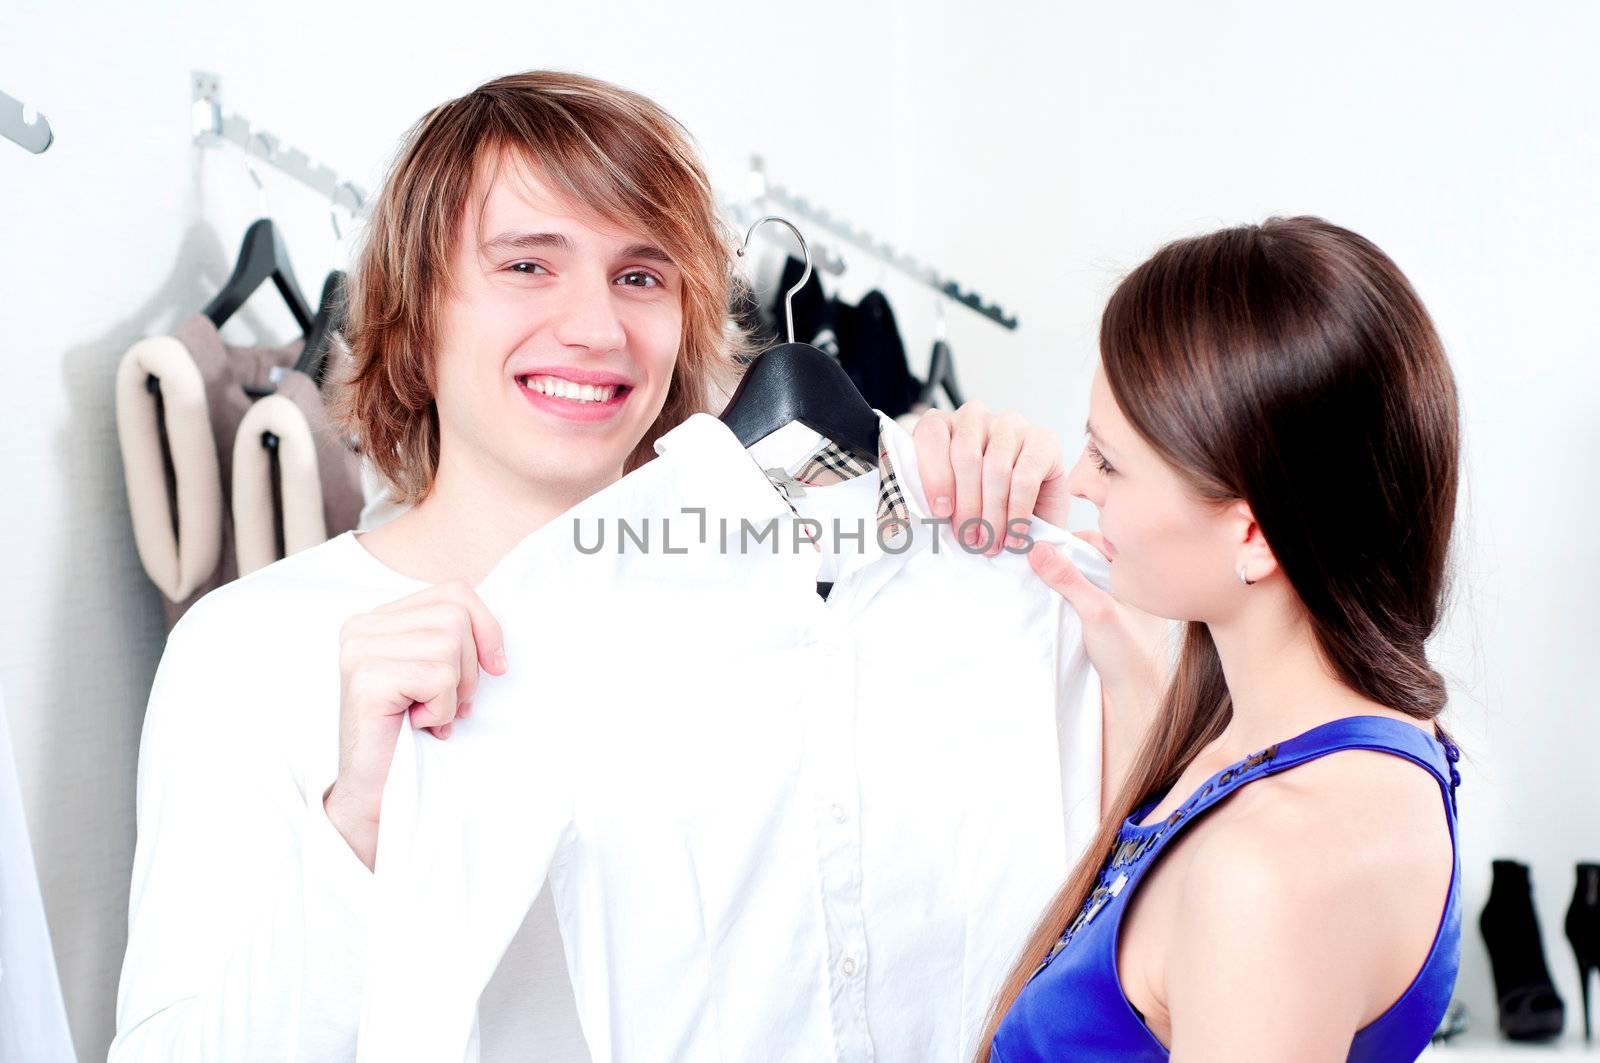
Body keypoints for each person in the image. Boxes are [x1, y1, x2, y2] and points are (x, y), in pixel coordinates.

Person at [111, 71, 1087, 1062]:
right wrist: (362, 822)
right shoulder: (252, 648)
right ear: (417, 307)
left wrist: (1010, 524)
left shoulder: (785, 623)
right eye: (529, 266)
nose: (596, 328)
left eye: (640, 275)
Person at [983, 217, 1463, 1061]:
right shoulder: (1308, 745)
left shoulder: (1272, 871)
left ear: (1253, 535)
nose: (1081, 482)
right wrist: (1133, 677)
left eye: (1110, 461)